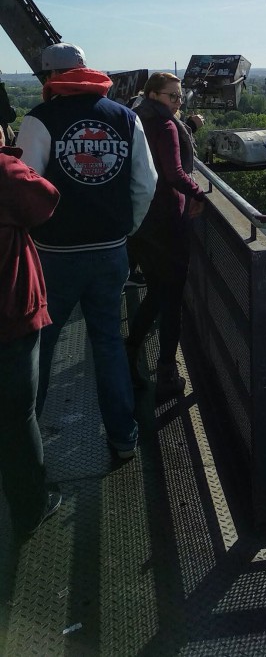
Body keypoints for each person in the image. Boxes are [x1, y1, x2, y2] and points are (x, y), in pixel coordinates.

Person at [17, 43, 155, 469]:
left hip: (55, 255)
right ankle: (124, 437)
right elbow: (145, 183)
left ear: (49, 78)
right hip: (109, 252)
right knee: (109, 344)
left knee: (39, 347)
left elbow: (27, 189)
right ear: (84, 69)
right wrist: (124, 231)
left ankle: (27, 447)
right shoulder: (124, 117)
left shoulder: (39, 120)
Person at [126, 72, 206, 401]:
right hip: (167, 221)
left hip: (141, 220)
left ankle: (129, 348)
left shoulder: (134, 119)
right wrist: (199, 194)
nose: (177, 102)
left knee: (158, 290)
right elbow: (173, 172)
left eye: (179, 97)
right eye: (172, 97)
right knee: (171, 298)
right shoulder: (165, 125)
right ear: (154, 95)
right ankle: (167, 372)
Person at [0, 97, 52, 555]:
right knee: (17, 417)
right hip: (9, 313)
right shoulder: (5, 174)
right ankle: (29, 509)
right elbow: (44, 200)